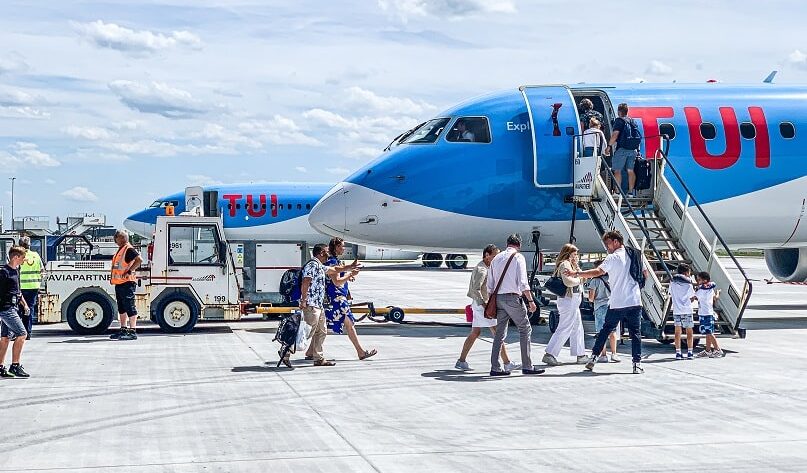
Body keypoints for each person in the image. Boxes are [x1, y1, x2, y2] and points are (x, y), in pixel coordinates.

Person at [568, 231, 647, 374]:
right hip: (635, 301)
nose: (607, 247)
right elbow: (645, 274)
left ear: (616, 242)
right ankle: (637, 364)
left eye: (608, 244)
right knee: (635, 333)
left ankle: (594, 358)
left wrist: (577, 274)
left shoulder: (613, 257)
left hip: (617, 302)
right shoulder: (635, 254)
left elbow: (597, 272)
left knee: (605, 330)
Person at [486, 234, 545, 376]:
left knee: (499, 334)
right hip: (513, 298)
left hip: (498, 298)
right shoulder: (518, 258)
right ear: (519, 245)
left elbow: (490, 284)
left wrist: (492, 302)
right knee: (525, 329)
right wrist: (531, 301)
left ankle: (495, 367)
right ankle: (527, 365)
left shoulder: (497, 258)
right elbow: (523, 282)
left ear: (507, 244)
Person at [455, 244, 519, 372]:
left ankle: (461, 361)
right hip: (482, 306)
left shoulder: (486, 266)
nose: (496, 258)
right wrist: (485, 306)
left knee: (475, 332)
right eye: (494, 256)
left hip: (479, 305)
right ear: (487, 255)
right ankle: (507, 363)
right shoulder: (482, 270)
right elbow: (476, 289)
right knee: (498, 333)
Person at [296, 244, 359, 367]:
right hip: (311, 304)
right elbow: (305, 282)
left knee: (322, 331)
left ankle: (318, 358)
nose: (328, 254)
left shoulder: (320, 266)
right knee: (307, 332)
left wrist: (350, 267)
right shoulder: (312, 265)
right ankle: (286, 352)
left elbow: (335, 270)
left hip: (319, 305)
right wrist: (304, 300)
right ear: (320, 253)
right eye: (326, 252)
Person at [325, 237, 377, 361]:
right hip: (338, 299)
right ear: (336, 247)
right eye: (342, 246)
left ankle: (311, 351)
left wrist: (348, 275)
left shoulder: (334, 261)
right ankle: (360, 352)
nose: (344, 248)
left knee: (322, 328)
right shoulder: (333, 262)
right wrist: (350, 275)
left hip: (337, 298)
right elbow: (337, 282)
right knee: (349, 325)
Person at [542, 244, 587, 366]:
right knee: (565, 327)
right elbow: (568, 282)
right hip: (568, 300)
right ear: (568, 253)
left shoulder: (572, 265)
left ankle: (580, 354)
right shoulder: (565, 264)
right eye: (574, 254)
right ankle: (550, 354)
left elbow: (581, 276)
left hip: (573, 301)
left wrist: (578, 270)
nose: (576, 256)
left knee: (577, 327)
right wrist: (579, 278)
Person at [0, 246, 30, 378]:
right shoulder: (4, 272)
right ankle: (15, 365)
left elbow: (17, 291)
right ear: (15, 257)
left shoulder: (16, 271)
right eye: (23, 258)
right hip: (6, 308)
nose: (24, 260)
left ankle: (0, 367)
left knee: (5, 338)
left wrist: (24, 304)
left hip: (14, 306)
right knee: (22, 334)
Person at [109, 231, 142, 341]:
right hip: (120, 283)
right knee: (122, 307)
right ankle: (123, 329)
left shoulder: (128, 249)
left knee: (129, 306)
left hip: (127, 282)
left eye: (117, 238)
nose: (116, 240)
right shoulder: (121, 249)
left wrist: (129, 271)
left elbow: (139, 260)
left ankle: (132, 331)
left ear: (121, 238)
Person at [586, 259, 619, 363]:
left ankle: (604, 355)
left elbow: (591, 298)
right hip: (612, 306)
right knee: (612, 330)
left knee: (601, 332)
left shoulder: (594, 281)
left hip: (600, 306)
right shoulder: (612, 278)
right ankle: (614, 354)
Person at [607, 103, 639, 194]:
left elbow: (615, 134)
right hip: (633, 150)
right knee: (630, 170)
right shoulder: (632, 121)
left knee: (617, 170)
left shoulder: (619, 121)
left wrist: (609, 146)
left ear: (619, 111)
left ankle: (618, 191)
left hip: (622, 149)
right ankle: (630, 192)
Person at [18, 236, 43, 341]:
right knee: (30, 309)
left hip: (22, 286)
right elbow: (42, 270)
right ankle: (28, 332)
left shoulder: (19, 256)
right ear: (29, 245)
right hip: (33, 286)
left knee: (20, 309)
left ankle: (20, 332)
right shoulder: (36, 255)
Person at [694, 271, 724, 358]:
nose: (697, 281)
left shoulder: (701, 290)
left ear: (704, 280)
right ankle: (708, 350)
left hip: (705, 314)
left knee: (709, 332)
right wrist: (718, 292)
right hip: (708, 312)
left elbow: (693, 298)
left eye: (699, 279)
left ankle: (717, 349)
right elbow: (715, 298)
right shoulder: (710, 289)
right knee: (708, 333)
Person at [670, 263, 696, 360]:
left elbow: (670, 294)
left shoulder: (672, 283)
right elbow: (692, 297)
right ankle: (690, 352)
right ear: (686, 273)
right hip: (687, 309)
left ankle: (678, 352)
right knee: (689, 331)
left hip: (677, 310)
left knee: (677, 332)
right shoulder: (689, 284)